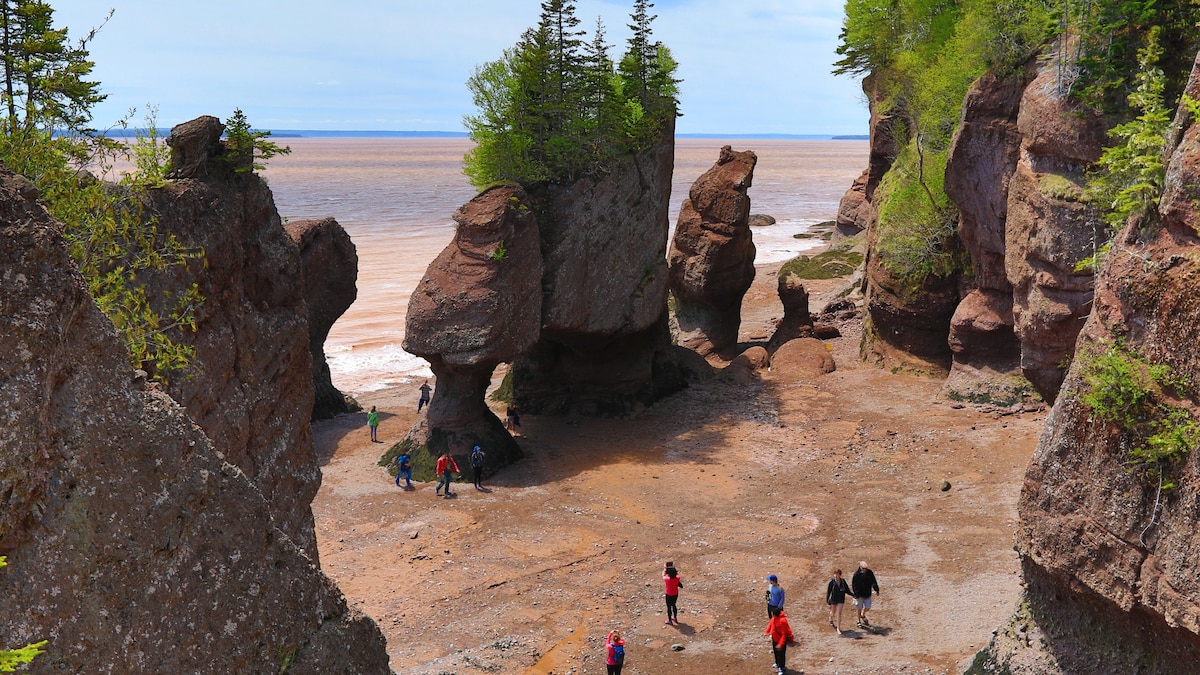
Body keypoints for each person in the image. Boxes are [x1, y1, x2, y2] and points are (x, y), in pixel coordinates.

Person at [764, 610, 795, 675]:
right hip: (775, 639)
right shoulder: (774, 618)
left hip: (781, 641)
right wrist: (767, 632)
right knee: (775, 652)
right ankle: (777, 663)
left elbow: (784, 634)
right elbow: (771, 624)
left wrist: (780, 644)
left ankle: (781, 667)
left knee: (781, 655)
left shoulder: (783, 621)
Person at [851, 560, 880, 628]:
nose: (865, 570)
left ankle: (863, 614)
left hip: (867, 593)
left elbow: (873, 581)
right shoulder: (856, 575)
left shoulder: (869, 573)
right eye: (863, 568)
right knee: (859, 608)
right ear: (860, 567)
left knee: (868, 607)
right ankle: (858, 621)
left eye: (866, 568)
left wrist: (876, 589)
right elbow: (854, 585)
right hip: (859, 594)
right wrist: (856, 594)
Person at [825, 568, 852, 634]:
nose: (835, 575)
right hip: (834, 599)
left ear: (840, 575)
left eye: (837, 574)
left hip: (840, 599)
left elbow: (847, 590)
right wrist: (828, 600)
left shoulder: (843, 581)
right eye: (835, 574)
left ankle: (838, 628)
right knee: (833, 612)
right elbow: (829, 591)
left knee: (839, 613)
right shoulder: (832, 582)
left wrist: (852, 595)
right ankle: (830, 617)